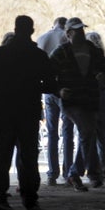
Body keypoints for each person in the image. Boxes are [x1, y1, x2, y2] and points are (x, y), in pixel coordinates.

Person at [0, 15, 56, 210]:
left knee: (2, 155)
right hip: (29, 110)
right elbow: (50, 84)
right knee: (28, 156)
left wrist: (3, 89)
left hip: (5, 110)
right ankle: (29, 197)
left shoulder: (1, 53)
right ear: (32, 31)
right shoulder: (38, 56)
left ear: (15, 29)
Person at [50, 17, 105, 192]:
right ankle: (88, 173)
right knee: (86, 131)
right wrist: (58, 90)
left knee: (88, 134)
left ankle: (78, 173)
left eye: (82, 30)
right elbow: (48, 76)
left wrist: (103, 78)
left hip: (91, 100)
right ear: (68, 34)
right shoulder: (60, 53)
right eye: (77, 31)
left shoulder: (94, 51)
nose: (82, 33)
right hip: (71, 101)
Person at [37, 17, 75, 186]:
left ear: (53, 24)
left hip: (48, 89)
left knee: (52, 133)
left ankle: (52, 173)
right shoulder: (66, 37)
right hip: (65, 87)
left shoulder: (42, 38)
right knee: (68, 130)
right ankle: (67, 172)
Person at [86, 31, 105, 183]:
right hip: (103, 100)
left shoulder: (90, 61)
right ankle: (103, 171)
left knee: (89, 136)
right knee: (101, 137)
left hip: (92, 100)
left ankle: (95, 170)